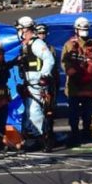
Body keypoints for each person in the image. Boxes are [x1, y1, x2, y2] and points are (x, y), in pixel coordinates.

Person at [15, 17, 56, 151]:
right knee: (28, 112)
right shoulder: (25, 45)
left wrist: (44, 76)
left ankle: (44, 139)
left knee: (35, 112)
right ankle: (33, 138)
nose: (19, 32)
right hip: (29, 84)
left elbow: (49, 59)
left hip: (37, 85)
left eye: (20, 29)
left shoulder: (37, 44)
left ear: (26, 29)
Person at [61, 16, 92, 146]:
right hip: (74, 85)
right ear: (76, 30)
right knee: (73, 112)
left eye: (86, 29)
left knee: (87, 112)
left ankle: (86, 131)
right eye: (82, 29)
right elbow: (64, 62)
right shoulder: (69, 45)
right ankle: (74, 133)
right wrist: (71, 71)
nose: (84, 31)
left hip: (89, 84)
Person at [35, 23, 59, 144]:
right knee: (35, 111)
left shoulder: (51, 49)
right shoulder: (29, 48)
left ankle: (49, 136)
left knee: (49, 111)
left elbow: (54, 70)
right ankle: (38, 136)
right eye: (39, 33)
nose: (42, 36)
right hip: (35, 85)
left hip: (49, 85)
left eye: (43, 33)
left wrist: (54, 85)